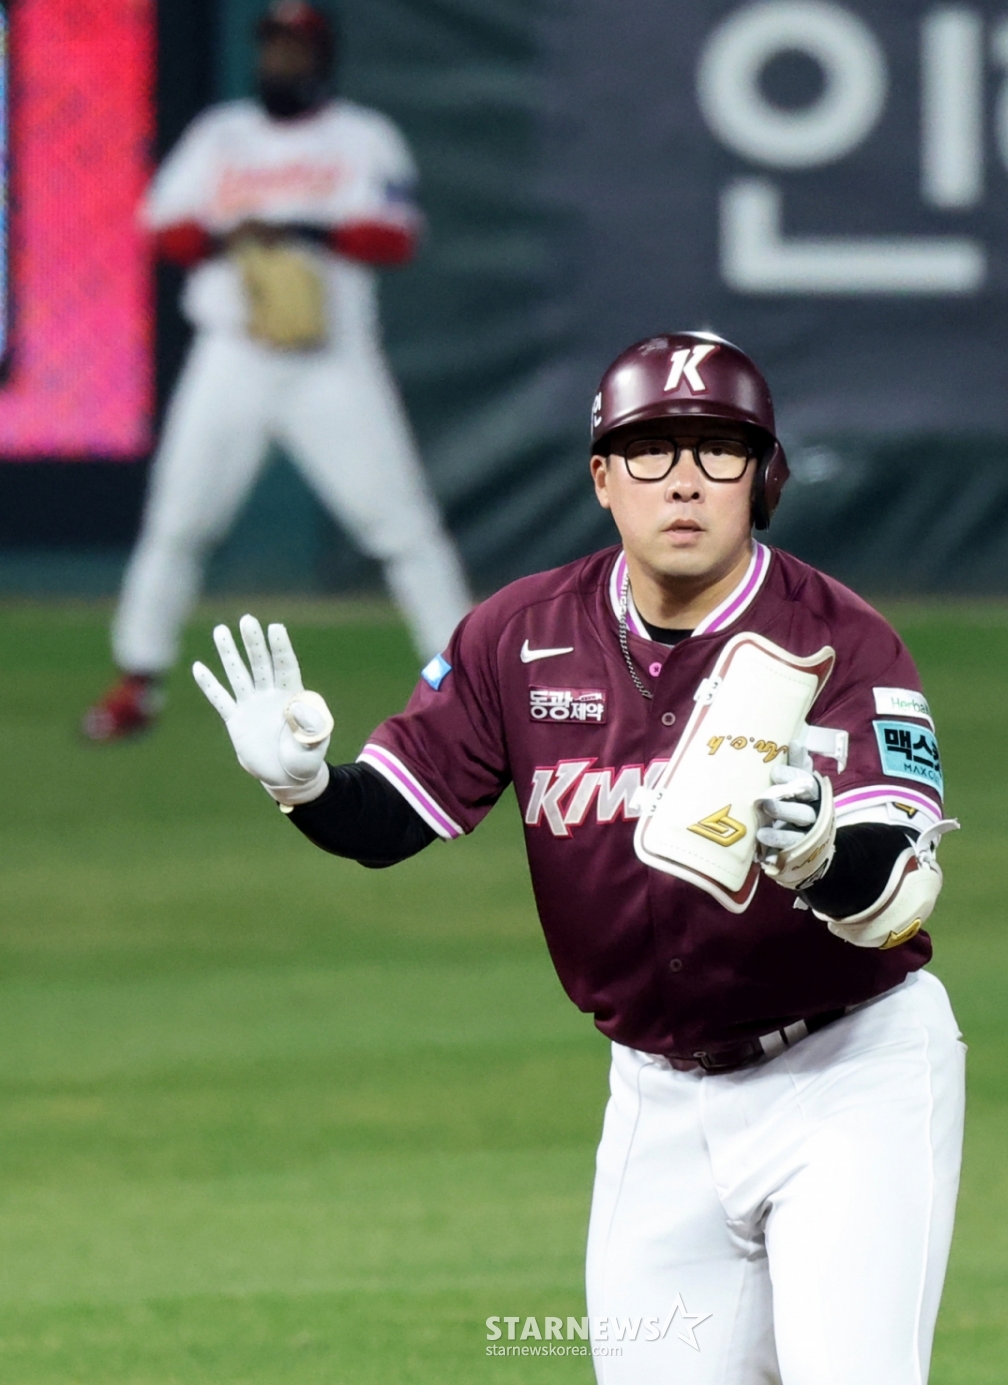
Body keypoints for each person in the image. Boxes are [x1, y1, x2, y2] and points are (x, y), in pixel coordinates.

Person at [192, 331, 965, 1385]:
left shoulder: (842, 639)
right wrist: (306, 784)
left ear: (763, 477)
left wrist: (825, 851)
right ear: (602, 477)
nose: (684, 481)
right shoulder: (519, 635)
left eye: (719, 449)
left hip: (848, 1078)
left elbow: (902, 890)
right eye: (651, 450)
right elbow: (392, 818)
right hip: (657, 1097)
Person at [83, 0, 472, 742]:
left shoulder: (362, 137)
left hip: (334, 362)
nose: (280, 60)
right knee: (178, 521)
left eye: (295, 48)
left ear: (322, 57)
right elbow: (163, 228)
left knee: (402, 527)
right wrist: (235, 236)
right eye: (272, 46)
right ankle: (138, 679)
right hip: (232, 354)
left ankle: (467, 680)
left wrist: (299, 228)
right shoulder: (220, 136)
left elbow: (395, 237)